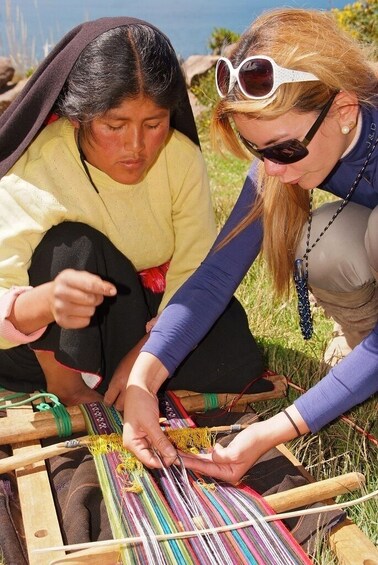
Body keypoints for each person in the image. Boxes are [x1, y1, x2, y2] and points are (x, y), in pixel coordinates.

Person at [121, 7, 378, 475]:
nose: (273, 171)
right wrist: (143, 379)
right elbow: (216, 275)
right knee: (325, 245)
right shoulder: (293, 148)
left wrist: (278, 427)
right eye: (258, 150)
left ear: (343, 110)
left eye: (284, 149)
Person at [0, 17, 265, 407]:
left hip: (133, 316)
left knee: (231, 342)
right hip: (47, 340)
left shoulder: (181, 159)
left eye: (154, 123)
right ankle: (68, 385)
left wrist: (146, 354)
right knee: (71, 245)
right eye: (115, 125)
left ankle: (120, 375)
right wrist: (47, 301)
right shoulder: (35, 171)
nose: (136, 146)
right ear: (79, 117)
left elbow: (194, 270)